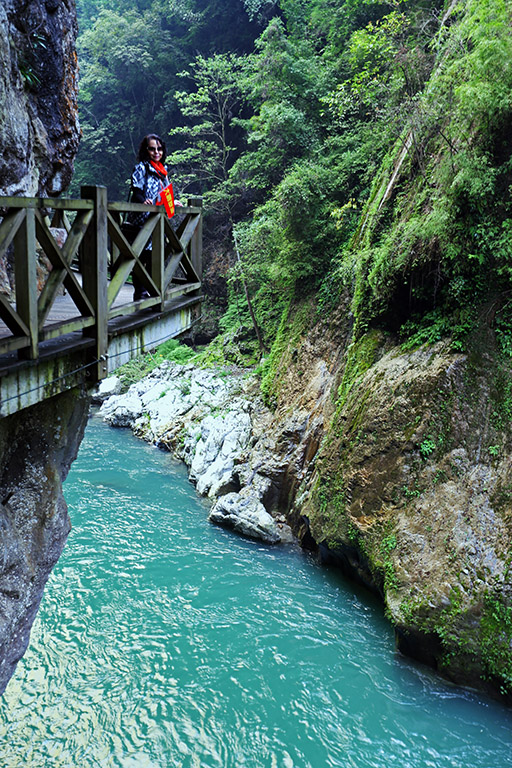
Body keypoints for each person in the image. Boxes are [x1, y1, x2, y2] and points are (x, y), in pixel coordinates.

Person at [127, 133, 178, 301]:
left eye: (159, 149)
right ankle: (139, 292)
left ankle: (148, 289)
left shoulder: (163, 171)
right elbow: (136, 192)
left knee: (152, 256)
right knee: (140, 256)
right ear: (145, 150)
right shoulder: (141, 168)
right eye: (152, 149)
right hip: (142, 220)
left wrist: (173, 203)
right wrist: (144, 201)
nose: (157, 152)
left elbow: (165, 194)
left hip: (157, 221)